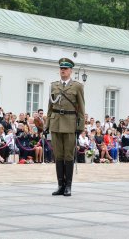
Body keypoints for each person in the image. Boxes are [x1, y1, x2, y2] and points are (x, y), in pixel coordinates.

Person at [44, 58, 85, 197]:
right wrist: (47, 124)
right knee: (58, 155)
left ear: (70, 71)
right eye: (61, 68)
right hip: (56, 123)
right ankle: (60, 185)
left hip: (70, 123)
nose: (63, 70)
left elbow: (81, 108)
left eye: (66, 69)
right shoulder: (53, 86)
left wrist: (80, 126)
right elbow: (50, 107)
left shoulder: (77, 86)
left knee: (68, 155)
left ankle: (68, 186)